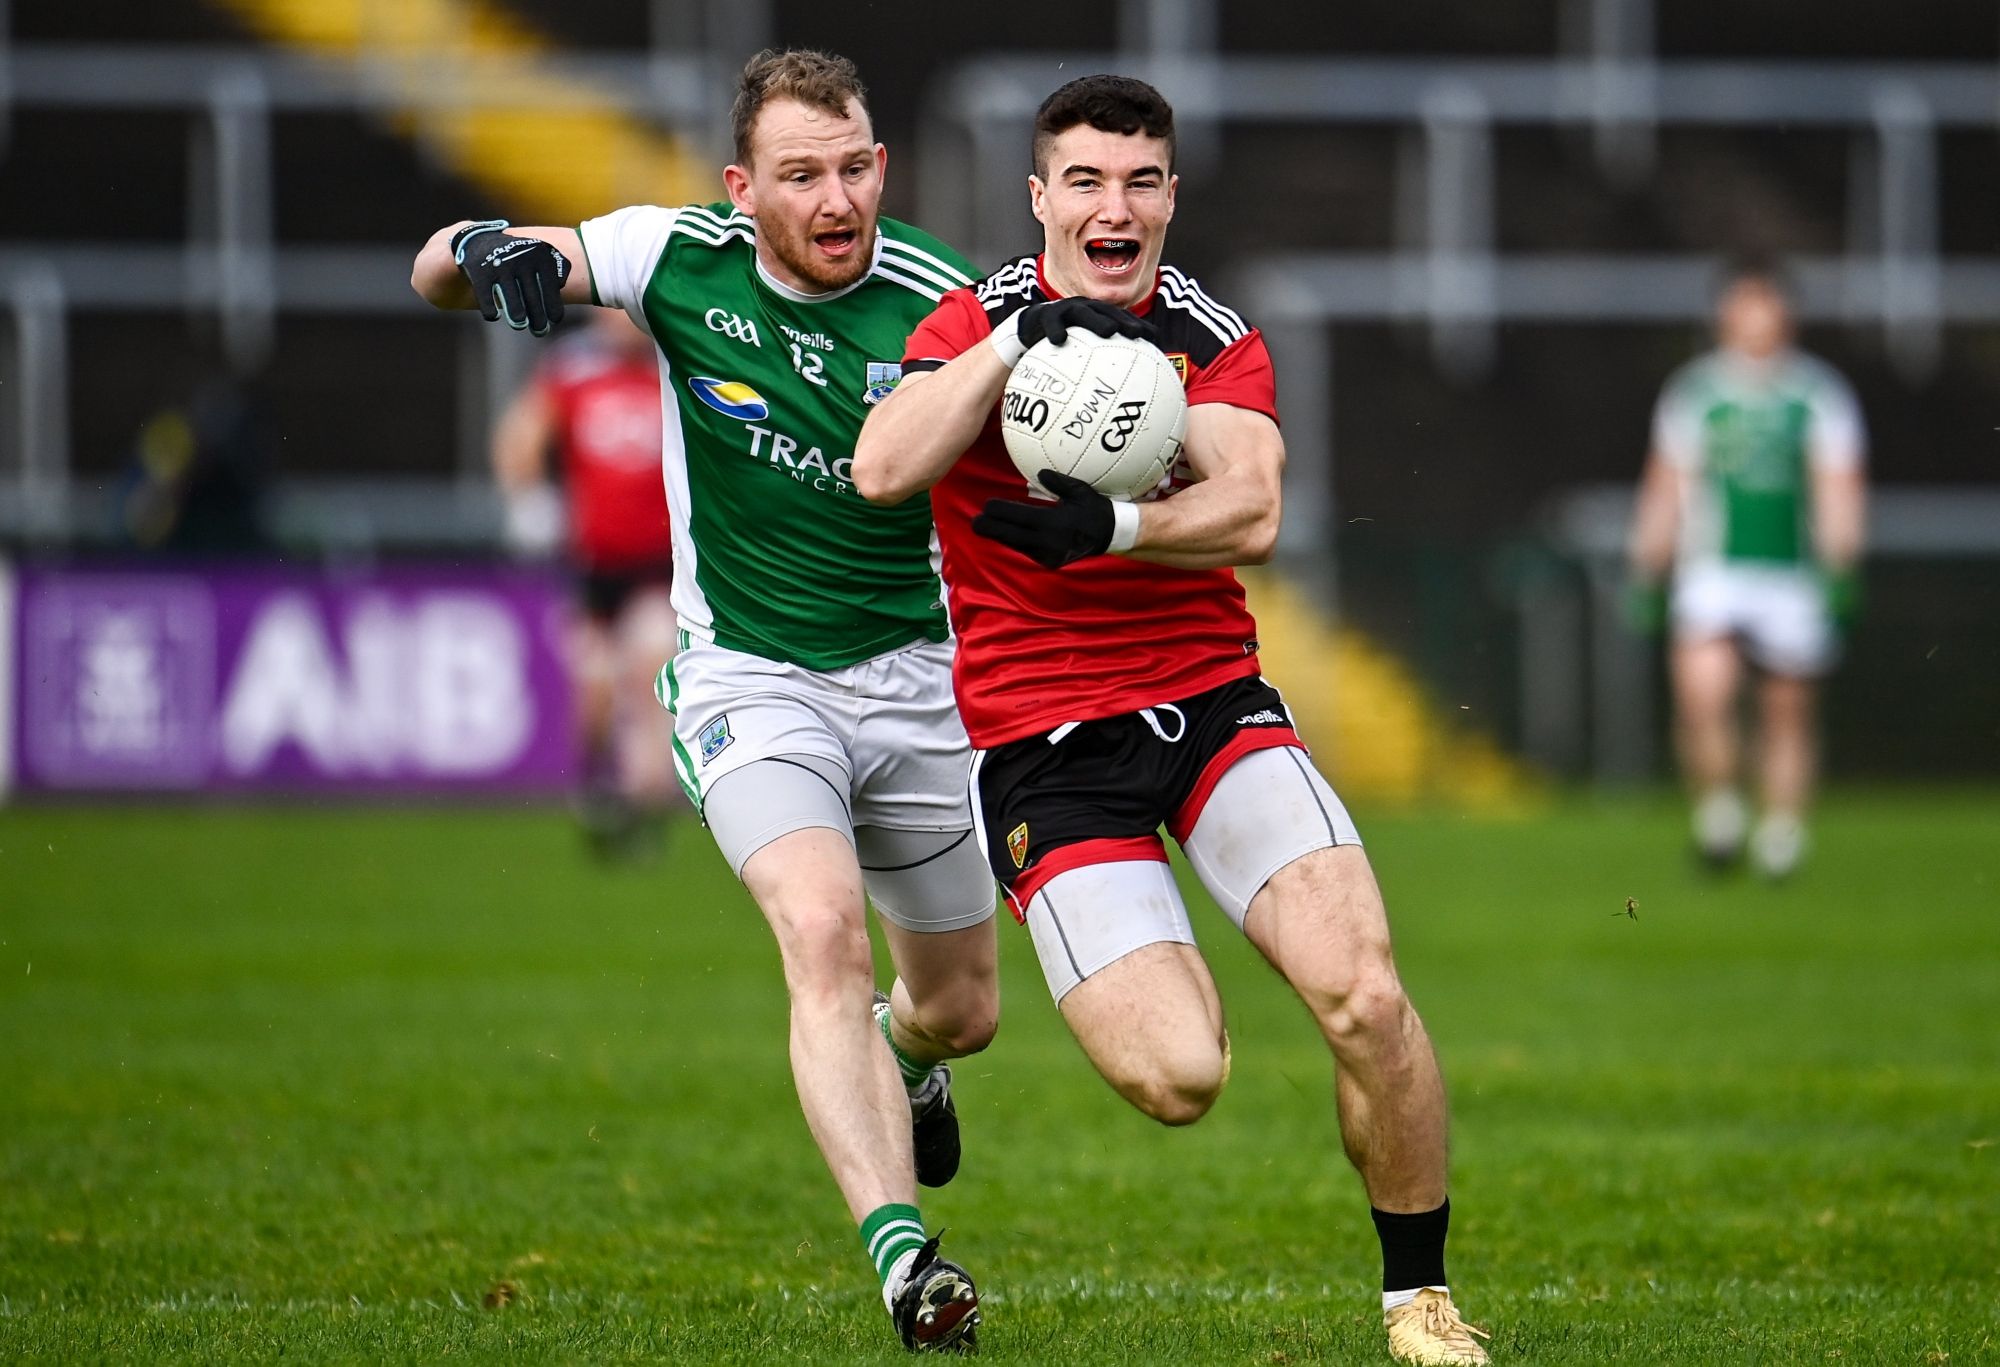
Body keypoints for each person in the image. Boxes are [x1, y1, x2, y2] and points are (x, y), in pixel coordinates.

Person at [853, 74, 1491, 1366]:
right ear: (1040, 197)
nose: (1115, 206)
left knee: (1365, 995)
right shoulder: (968, 320)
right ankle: (907, 1038)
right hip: (1042, 748)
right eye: (1086, 180)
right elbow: (882, 466)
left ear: (1169, 198)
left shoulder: (1200, 330)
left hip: (1210, 706)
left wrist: (1117, 524)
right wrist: (1004, 351)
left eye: (1141, 181)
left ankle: (1419, 1303)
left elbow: (1253, 506)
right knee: (1180, 1076)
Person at [411, 48, 994, 1353]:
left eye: (853, 168)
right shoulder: (674, 256)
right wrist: (478, 254)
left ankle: (909, 1055)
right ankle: (905, 1262)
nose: (835, 198)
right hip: (750, 677)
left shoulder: (946, 302)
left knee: (961, 1006)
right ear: (743, 188)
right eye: (801, 174)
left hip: (920, 687)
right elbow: (435, 269)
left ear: (882, 166)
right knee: (821, 931)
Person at [1626, 258, 1868, 879]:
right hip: (1713, 571)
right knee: (1703, 697)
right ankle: (1720, 811)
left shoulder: (1817, 394)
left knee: (1786, 710)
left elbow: (1838, 487)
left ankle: (1782, 832)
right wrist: (1648, 565)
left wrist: (1842, 565)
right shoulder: (1696, 392)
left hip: (1791, 576)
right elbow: (1666, 485)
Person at [491, 307, 680, 856]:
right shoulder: (572, 369)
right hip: (594, 563)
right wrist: (528, 499)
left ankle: (647, 803)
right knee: (596, 689)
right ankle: (594, 784)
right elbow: (520, 436)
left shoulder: (674, 363)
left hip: (661, 561)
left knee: (651, 672)